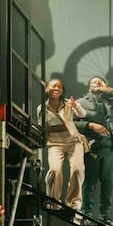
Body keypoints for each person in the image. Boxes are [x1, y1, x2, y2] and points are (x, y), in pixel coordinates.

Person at [74, 76, 113, 225]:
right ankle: (86, 214)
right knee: (90, 182)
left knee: (108, 184)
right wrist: (90, 125)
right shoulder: (80, 103)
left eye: (100, 82)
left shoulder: (112, 103)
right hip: (91, 148)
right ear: (89, 87)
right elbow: (71, 122)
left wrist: (109, 90)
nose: (96, 84)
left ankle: (105, 216)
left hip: (111, 150)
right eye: (93, 82)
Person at [37, 79, 87, 210]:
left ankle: (73, 203)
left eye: (59, 87)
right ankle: (53, 201)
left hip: (73, 141)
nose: (56, 89)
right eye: (54, 86)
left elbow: (83, 114)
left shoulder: (67, 104)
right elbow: (41, 126)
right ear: (47, 89)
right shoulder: (42, 108)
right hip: (54, 143)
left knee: (77, 169)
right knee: (55, 170)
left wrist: (76, 106)